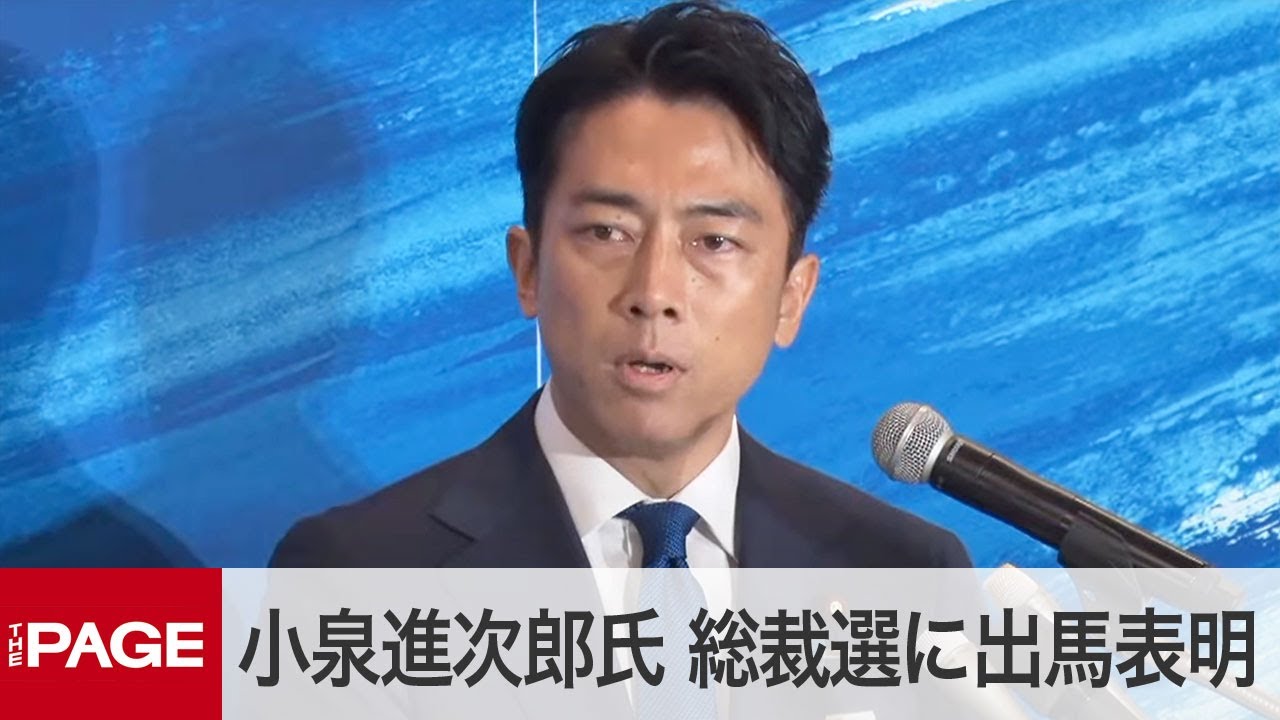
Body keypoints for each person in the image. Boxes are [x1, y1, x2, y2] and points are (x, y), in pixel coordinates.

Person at [270, 1, 971, 571]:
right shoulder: (357, 571)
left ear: (792, 297)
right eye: (608, 232)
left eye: (714, 241)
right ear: (528, 269)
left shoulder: (901, 573)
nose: (654, 291)